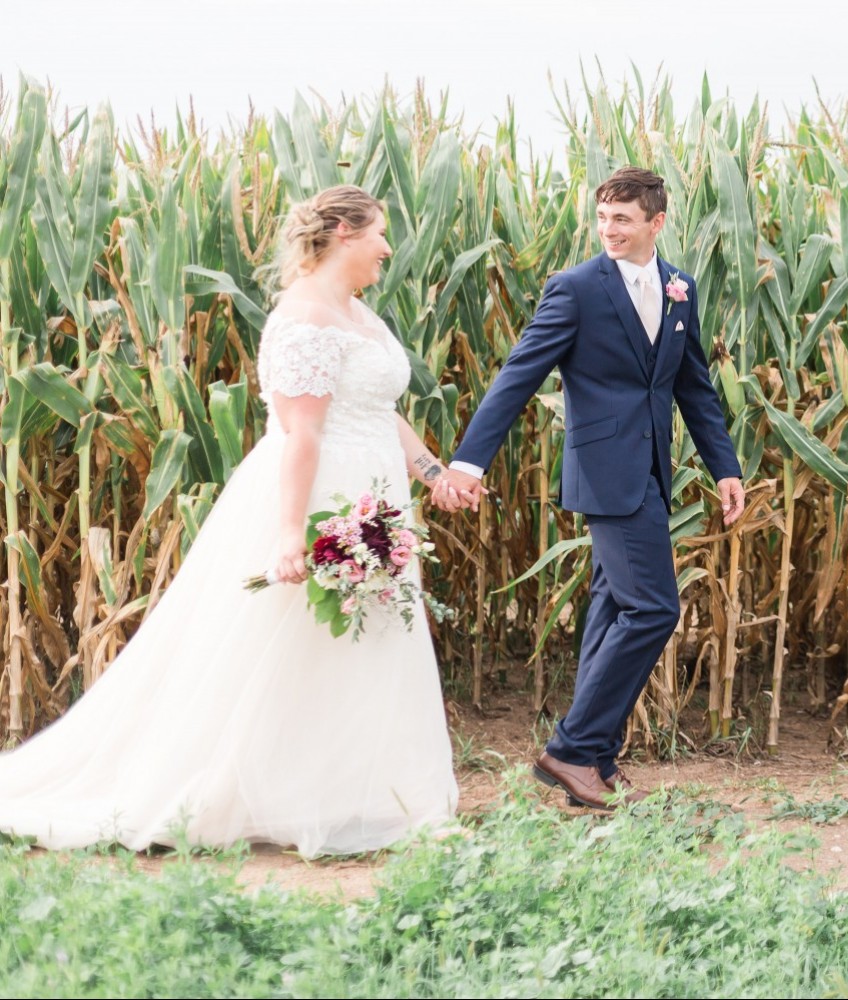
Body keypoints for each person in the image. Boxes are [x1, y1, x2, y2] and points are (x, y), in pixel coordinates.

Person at [0, 186, 462, 858]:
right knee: (286, 646)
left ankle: (353, 791)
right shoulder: (304, 317)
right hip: (322, 498)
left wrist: (431, 473)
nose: (388, 248)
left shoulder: (357, 312)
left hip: (375, 497)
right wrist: (289, 533)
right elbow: (302, 434)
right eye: (380, 234)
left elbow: (376, 407)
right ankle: (261, 792)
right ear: (341, 231)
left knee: (361, 641)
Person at [437, 165, 744, 810]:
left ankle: (597, 760)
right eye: (603, 217)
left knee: (611, 613)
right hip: (605, 473)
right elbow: (520, 373)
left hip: (653, 472)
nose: (610, 229)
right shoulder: (575, 288)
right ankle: (572, 749)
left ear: (656, 223)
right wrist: (469, 461)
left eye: (624, 219)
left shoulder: (680, 287)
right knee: (655, 608)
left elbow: (693, 387)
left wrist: (725, 468)